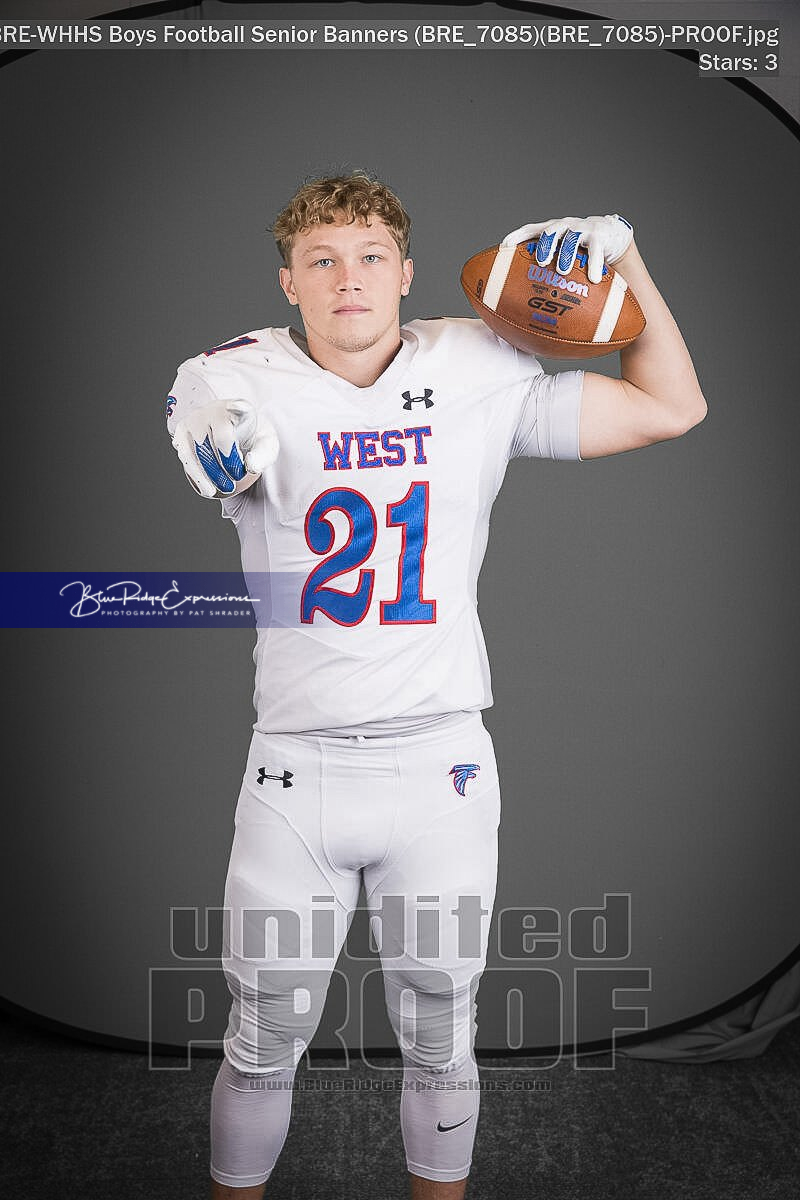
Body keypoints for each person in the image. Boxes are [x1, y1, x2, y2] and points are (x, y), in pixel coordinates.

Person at [165, 171, 707, 1199]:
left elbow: (671, 405)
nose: (348, 278)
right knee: (263, 1033)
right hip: (297, 768)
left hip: (439, 765)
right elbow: (207, 426)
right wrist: (213, 439)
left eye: (370, 256)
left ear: (407, 273)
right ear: (288, 282)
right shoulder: (234, 377)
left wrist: (623, 257)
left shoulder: (473, 365)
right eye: (322, 260)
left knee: (440, 1030)